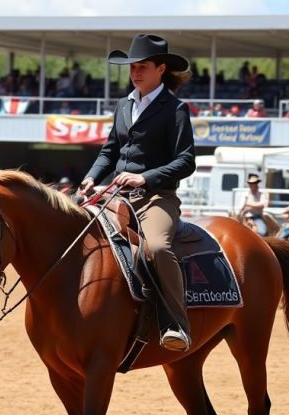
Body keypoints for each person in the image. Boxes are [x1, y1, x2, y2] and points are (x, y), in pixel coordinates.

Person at [78, 33, 196, 352]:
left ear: (161, 69)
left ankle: (176, 324)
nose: (135, 72)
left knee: (156, 247)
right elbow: (109, 151)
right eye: (132, 66)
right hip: (115, 196)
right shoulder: (123, 104)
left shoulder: (176, 109)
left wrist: (144, 179)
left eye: (142, 66)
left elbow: (186, 161)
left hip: (157, 198)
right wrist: (90, 178)